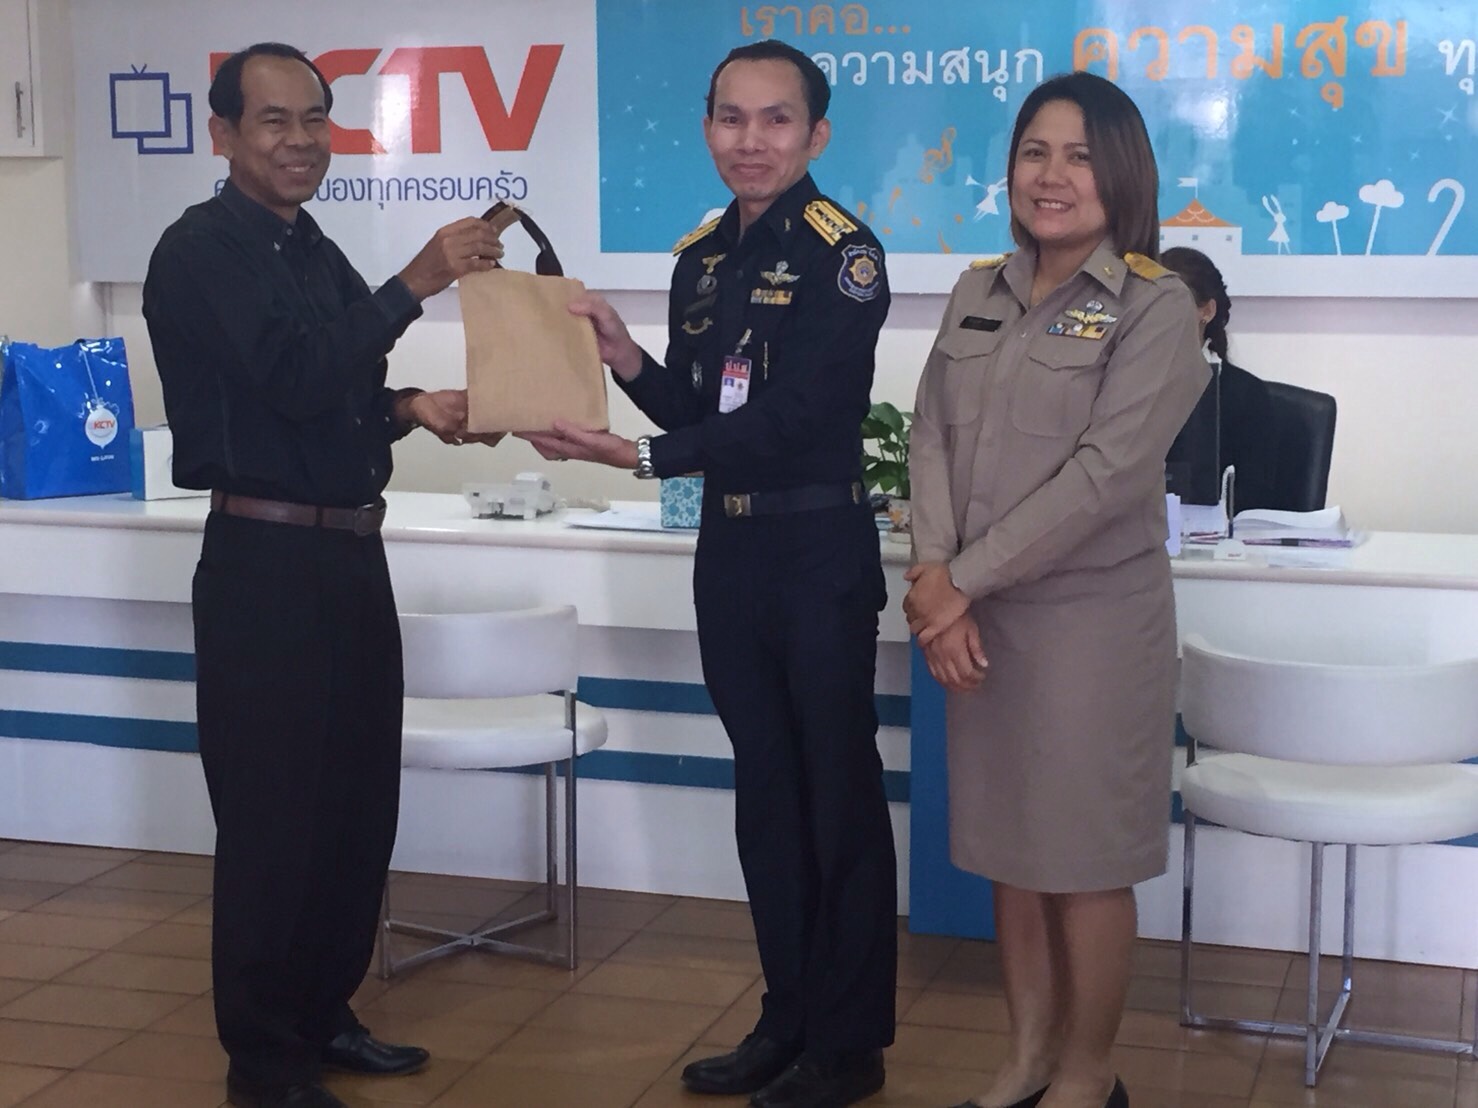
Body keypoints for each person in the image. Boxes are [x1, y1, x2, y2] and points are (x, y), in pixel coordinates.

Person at [521, 39, 896, 1108]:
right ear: (705, 128)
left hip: (817, 554)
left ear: (816, 135)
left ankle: (847, 1046)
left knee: (835, 797)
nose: (751, 140)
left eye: (776, 119)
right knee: (766, 794)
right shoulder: (700, 259)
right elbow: (704, 410)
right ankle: (786, 1019)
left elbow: (795, 420)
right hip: (730, 558)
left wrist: (638, 457)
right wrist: (624, 358)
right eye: (731, 118)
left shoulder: (843, 256)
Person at [141, 42, 504, 1108]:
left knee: (354, 802)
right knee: (274, 819)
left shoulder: (309, 245)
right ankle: (265, 1061)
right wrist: (416, 281)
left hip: (347, 554)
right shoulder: (199, 250)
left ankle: (322, 1011)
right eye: (274, 121)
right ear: (222, 134)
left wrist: (412, 408)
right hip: (264, 566)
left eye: (314, 119)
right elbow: (291, 376)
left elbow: (340, 387)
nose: (300, 142)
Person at [903, 72, 1209, 1108]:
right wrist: (934, 576)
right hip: (980, 617)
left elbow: (1103, 478)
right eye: (1034, 151)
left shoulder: (1155, 308)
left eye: (1078, 156)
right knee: (1012, 851)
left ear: (1120, 174)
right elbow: (930, 436)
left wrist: (956, 583)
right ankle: (1025, 1059)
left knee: (1082, 858)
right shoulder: (977, 291)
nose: (1051, 175)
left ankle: (1086, 1073)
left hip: (1090, 625)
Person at [1162, 246, 1280, 512]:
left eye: (1171, 305)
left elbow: (1254, 494)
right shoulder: (1124, 385)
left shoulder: (1246, 395)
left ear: (1206, 311)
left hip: (1216, 533)